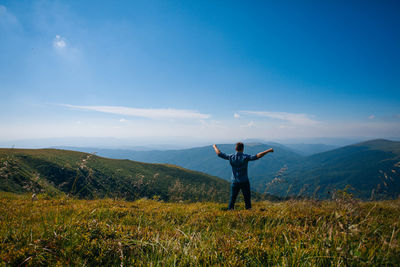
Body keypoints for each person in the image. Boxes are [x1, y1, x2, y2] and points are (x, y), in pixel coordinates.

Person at [212, 142, 273, 210]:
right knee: (247, 199)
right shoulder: (245, 157)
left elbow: (219, 154)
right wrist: (268, 150)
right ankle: (249, 212)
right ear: (243, 149)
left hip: (235, 181)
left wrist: (215, 147)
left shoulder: (231, 157)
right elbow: (257, 156)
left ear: (235, 148)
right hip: (244, 181)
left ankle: (230, 211)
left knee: (233, 199)